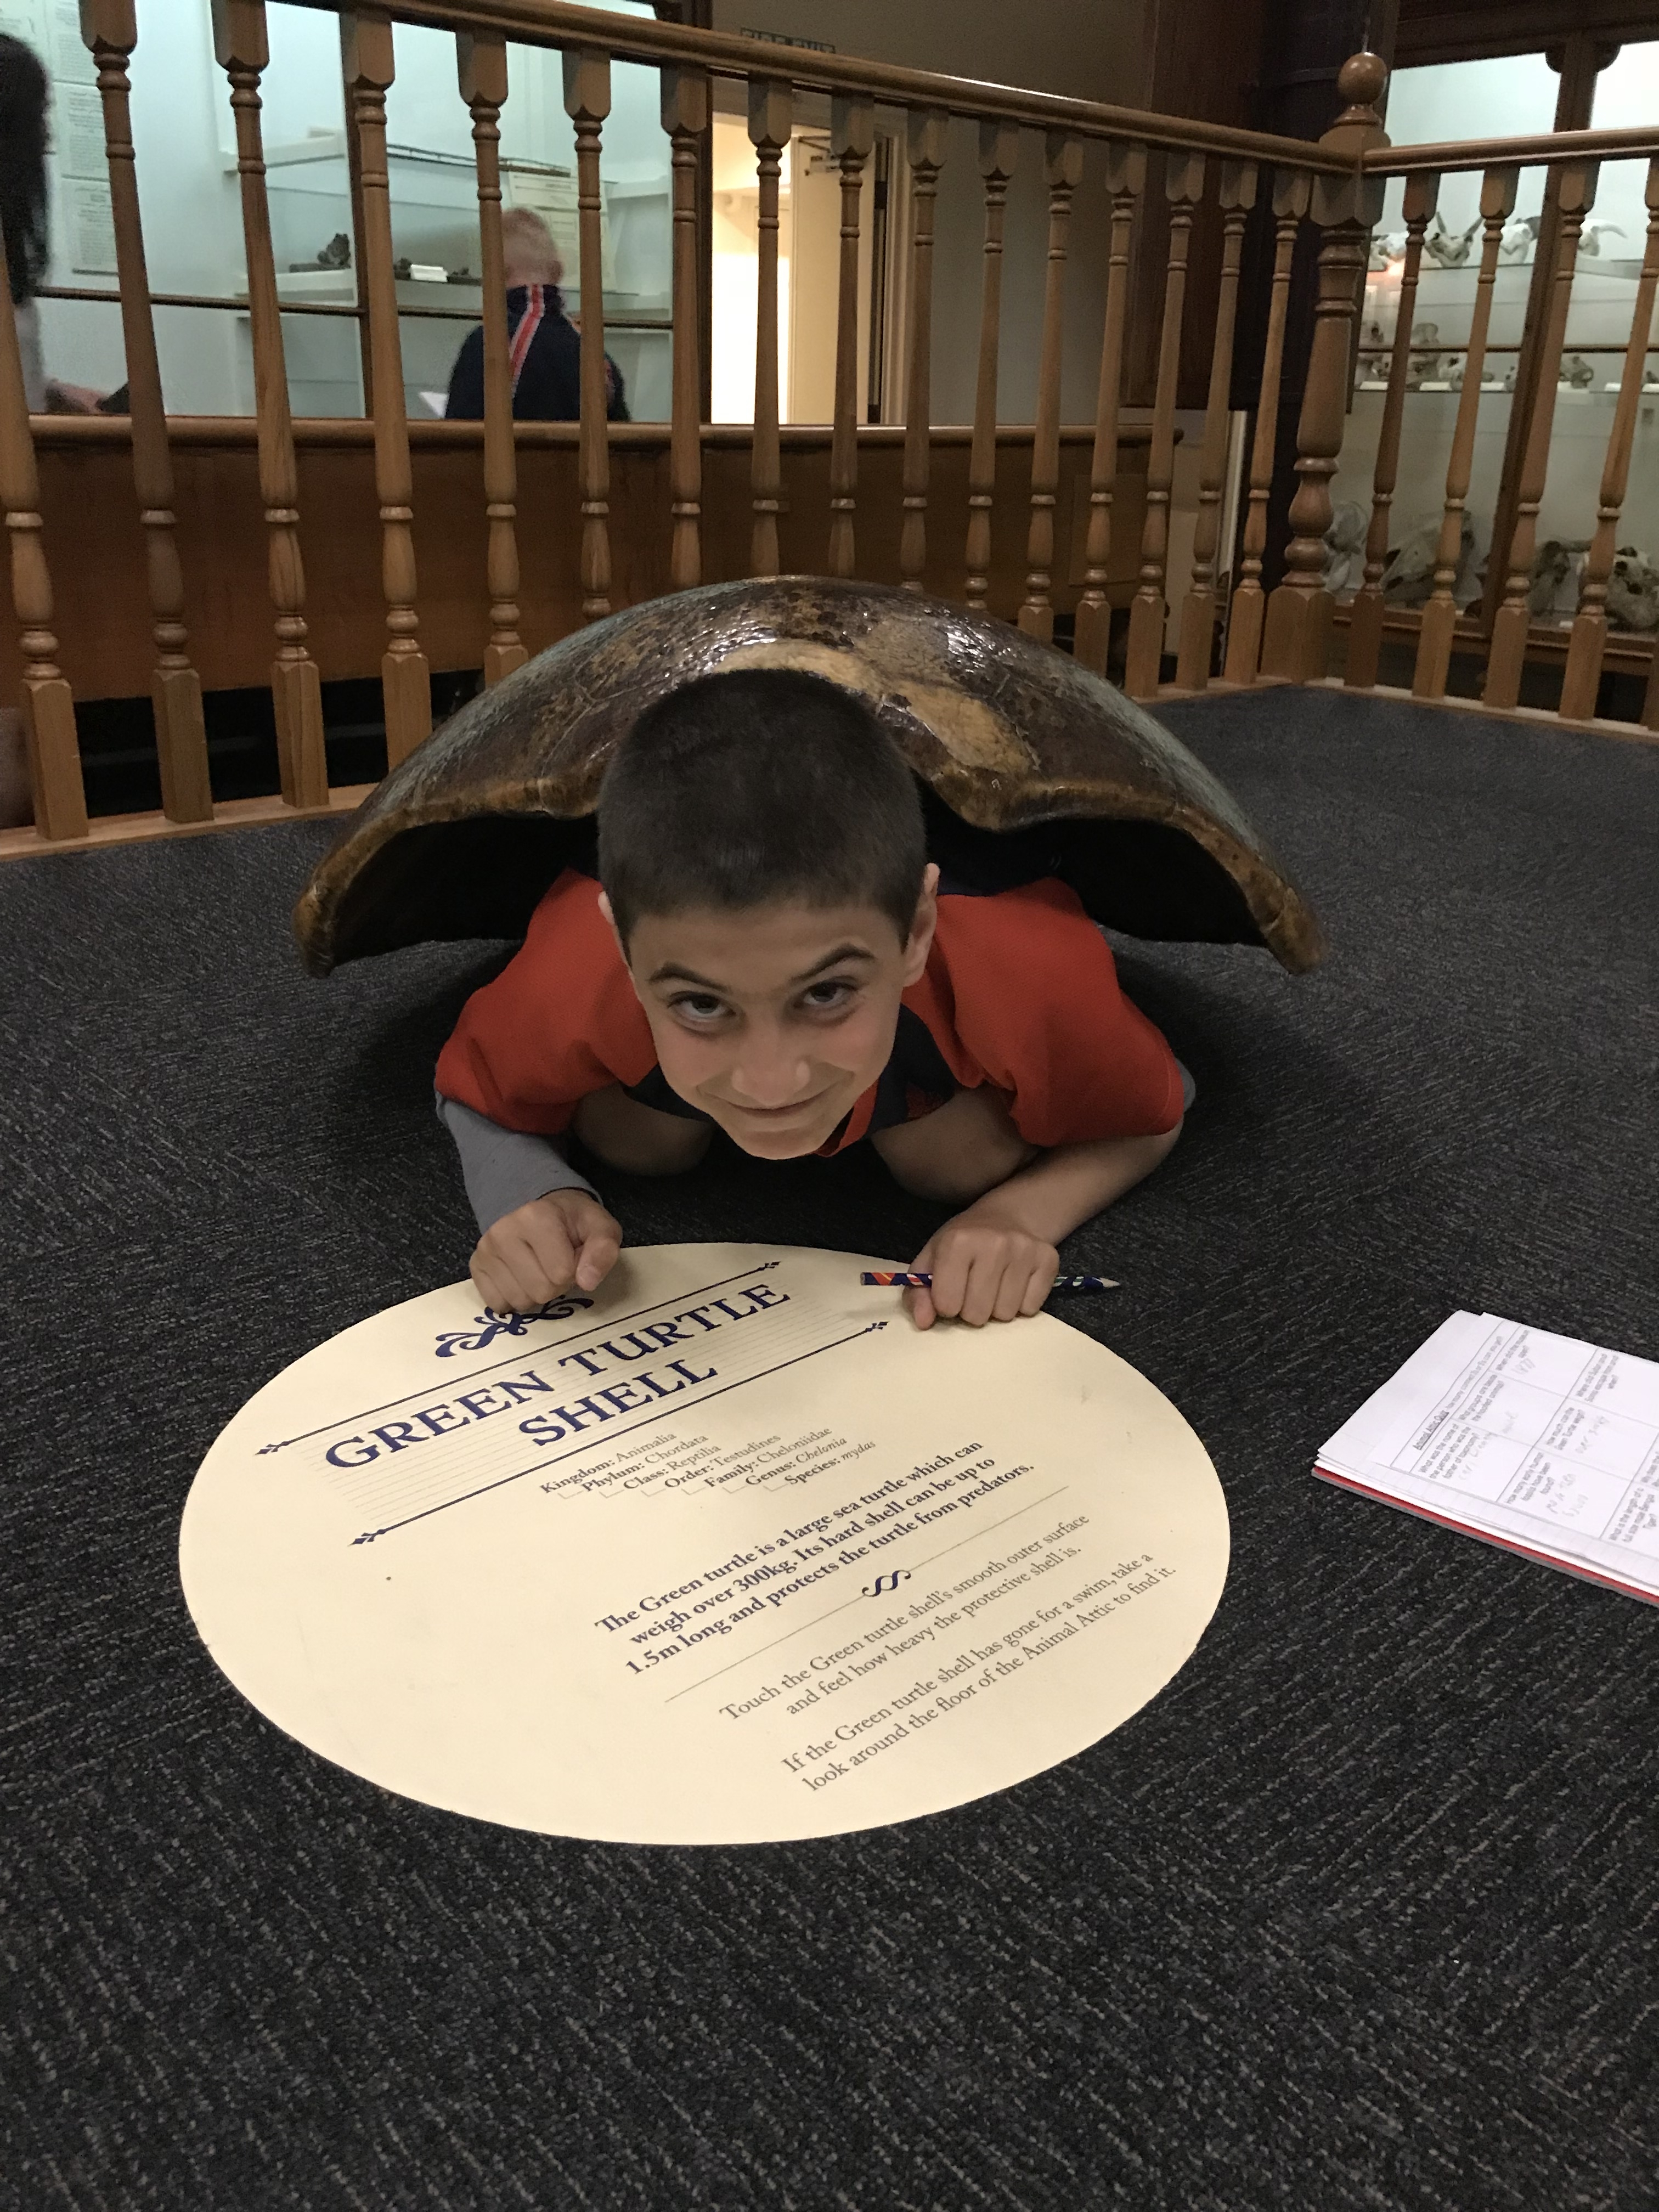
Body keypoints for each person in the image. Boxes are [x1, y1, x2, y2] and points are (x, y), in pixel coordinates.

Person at [435, 670, 1189, 1332]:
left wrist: (1019, 1215)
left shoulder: (1019, 960)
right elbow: (474, 1091)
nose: (772, 1083)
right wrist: (530, 1192)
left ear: (917, 931)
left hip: (956, 974)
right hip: (662, 1029)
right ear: (623, 951)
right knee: (638, 1143)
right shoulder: (576, 963)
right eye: (702, 1005)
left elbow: (1155, 1108)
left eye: (826, 993)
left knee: (960, 1162)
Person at [444, 206, 628, 423]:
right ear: (557, 272)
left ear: (496, 273)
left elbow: (457, 434)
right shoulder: (596, 355)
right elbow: (624, 437)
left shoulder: (489, 343)